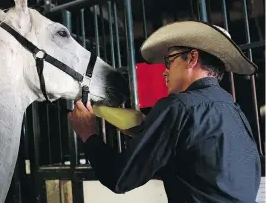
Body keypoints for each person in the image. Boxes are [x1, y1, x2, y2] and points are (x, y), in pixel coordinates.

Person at [68, 21, 261, 202]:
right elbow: (204, 169)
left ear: (192, 58)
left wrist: (88, 134)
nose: (164, 71)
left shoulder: (178, 106)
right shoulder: (234, 110)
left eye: (169, 61)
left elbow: (119, 178)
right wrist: (146, 131)